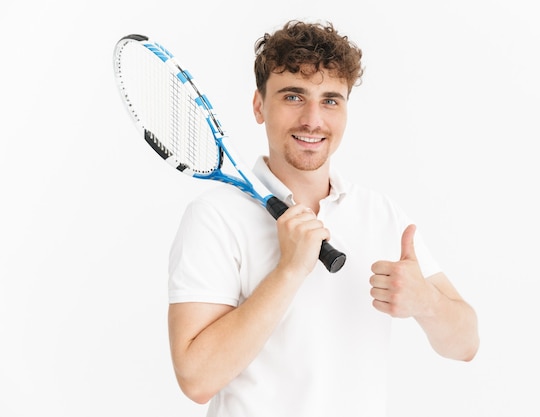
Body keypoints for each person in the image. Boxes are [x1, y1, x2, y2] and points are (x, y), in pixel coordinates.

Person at [167, 20, 479, 417]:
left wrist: (427, 302)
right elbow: (196, 379)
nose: (313, 119)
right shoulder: (214, 217)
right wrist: (289, 271)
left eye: (331, 100)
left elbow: (467, 344)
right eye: (294, 96)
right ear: (259, 106)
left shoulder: (381, 214)